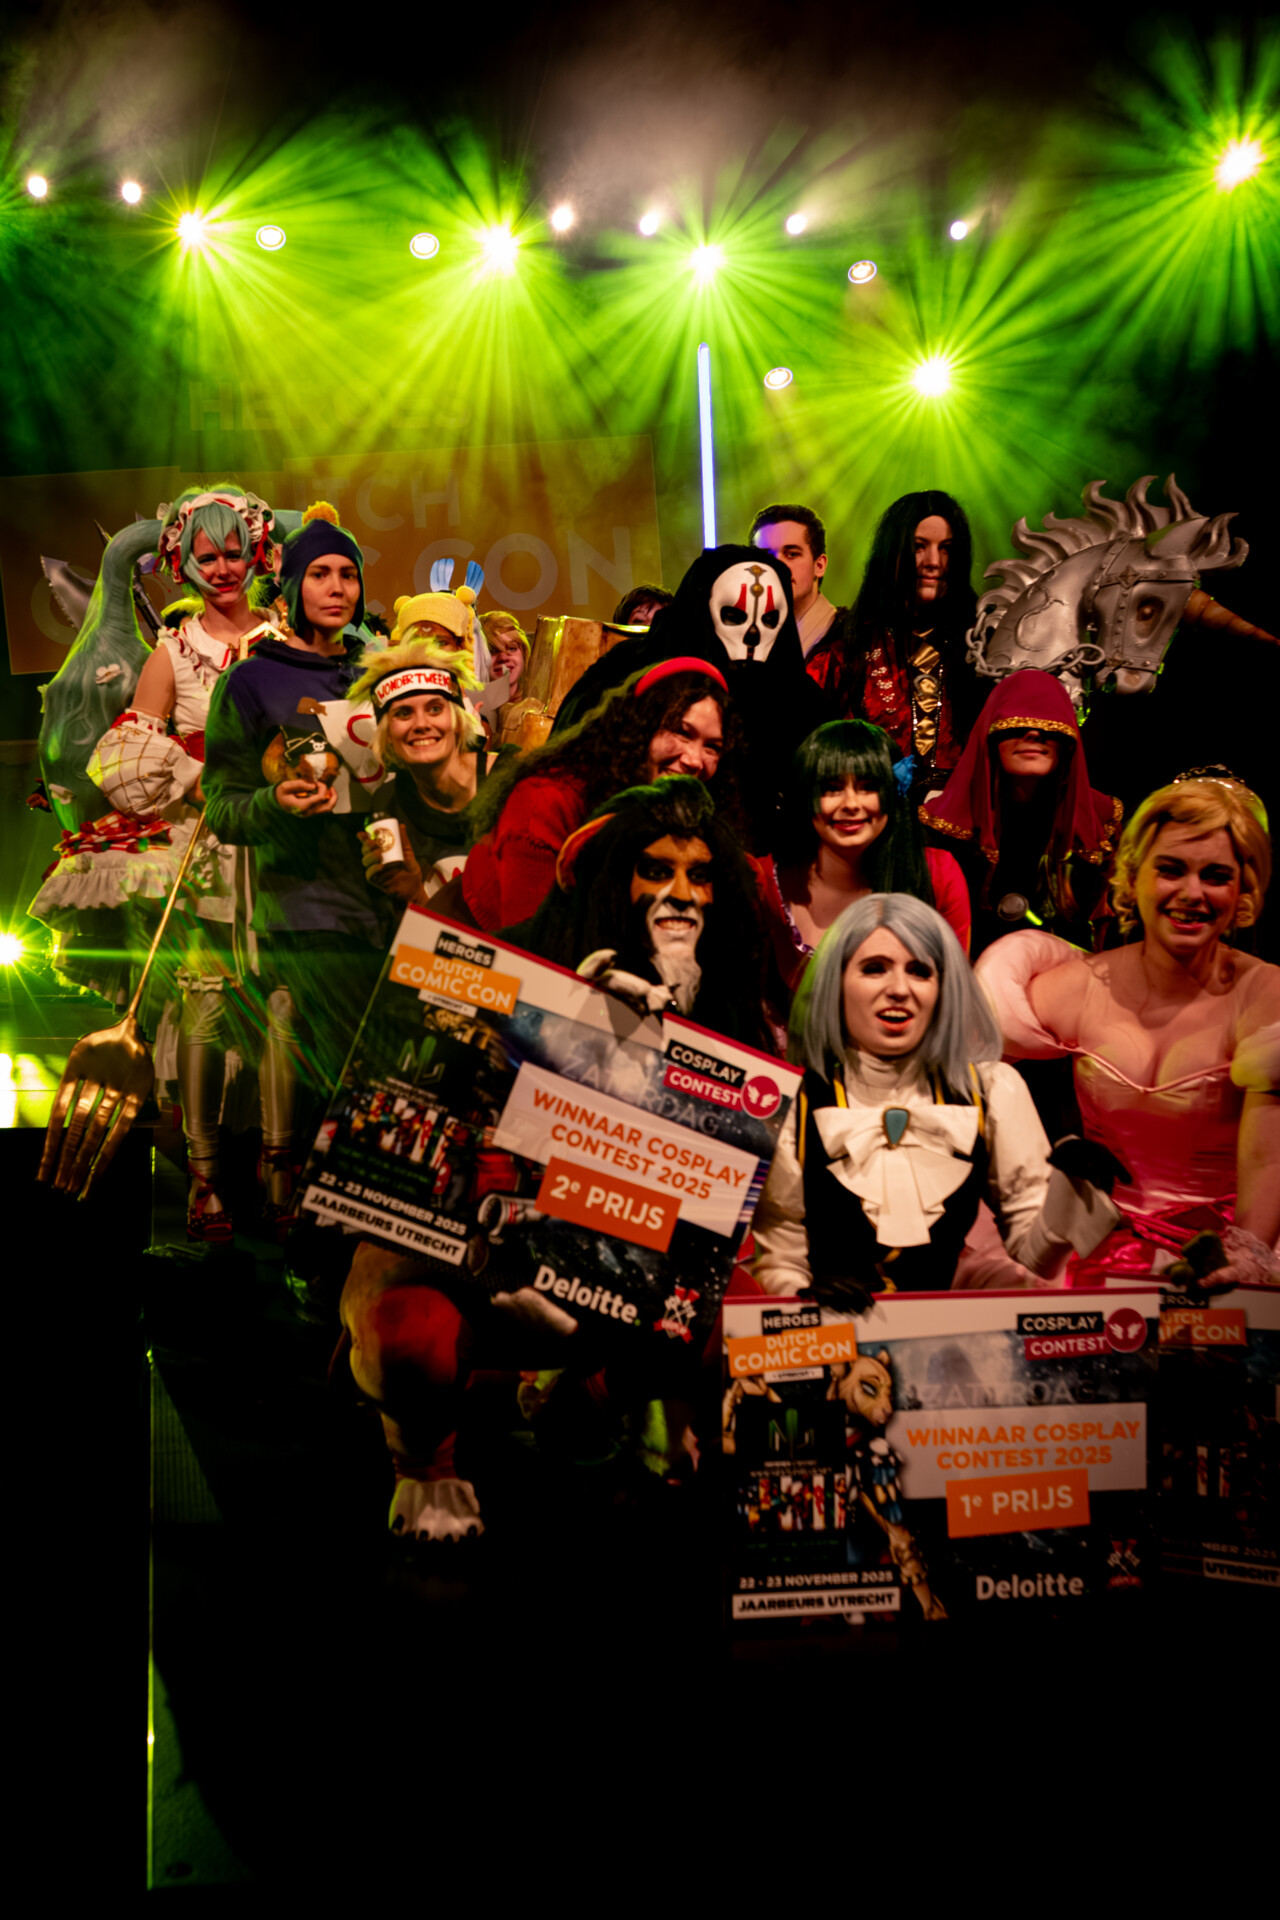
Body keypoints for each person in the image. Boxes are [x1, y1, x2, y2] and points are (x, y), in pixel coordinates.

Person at [976, 774, 1280, 1286]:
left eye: (1216, 875)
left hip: (1231, 1258)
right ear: (1133, 874)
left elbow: (1268, 1156)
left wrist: (1247, 1259)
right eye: (1171, 870)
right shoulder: (1074, 987)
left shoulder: (1266, 995)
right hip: (1100, 1252)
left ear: (1242, 889)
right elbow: (969, 1094)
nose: (1192, 893)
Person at [751, 893, 1121, 1298]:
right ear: (836, 986)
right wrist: (807, 1306)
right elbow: (779, 1258)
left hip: (944, 1353)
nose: (899, 989)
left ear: (943, 990)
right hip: (830, 1350)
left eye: (920, 971)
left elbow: (1036, 1257)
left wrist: (1075, 1190)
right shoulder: (792, 1104)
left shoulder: (993, 1090)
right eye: (874, 969)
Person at [203, 503, 387, 1116]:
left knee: (391, 1087)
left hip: (393, 904)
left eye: (348, 574)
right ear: (291, 585)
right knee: (336, 1094)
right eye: (319, 573)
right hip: (307, 910)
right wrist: (273, 801)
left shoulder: (379, 676)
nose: (336, 587)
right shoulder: (251, 682)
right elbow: (222, 806)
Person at [459, 658, 747, 931]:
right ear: (638, 726)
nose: (695, 760)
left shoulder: (686, 813)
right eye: (682, 733)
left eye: (713, 747)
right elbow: (533, 949)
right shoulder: (547, 800)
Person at [510, 775, 771, 1049]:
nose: (683, 895)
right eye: (657, 872)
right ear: (615, 883)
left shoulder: (729, 995)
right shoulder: (519, 959)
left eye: (699, 875)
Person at [751, 720, 970, 1046]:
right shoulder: (767, 880)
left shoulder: (938, 876)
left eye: (867, 787)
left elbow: (953, 1003)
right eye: (832, 788)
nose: (851, 804)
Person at [922, 669, 1122, 957]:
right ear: (991, 734)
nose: (1033, 732)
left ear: (1068, 740)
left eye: (1050, 725)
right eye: (1015, 723)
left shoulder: (1101, 823)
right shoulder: (941, 826)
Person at [837, 490, 979, 798]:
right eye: (918, 548)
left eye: (946, 549)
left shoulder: (984, 644)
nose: (933, 562)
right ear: (891, 554)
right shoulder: (847, 648)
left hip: (964, 824)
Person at [350, 642, 504, 908]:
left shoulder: (512, 780)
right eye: (403, 713)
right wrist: (410, 894)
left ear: (457, 719)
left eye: (435, 709)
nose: (422, 724)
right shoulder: (389, 803)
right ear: (387, 733)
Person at [750, 502, 854, 695]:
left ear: (819, 565)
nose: (777, 566)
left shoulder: (855, 640)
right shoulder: (742, 641)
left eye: (791, 554)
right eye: (765, 557)